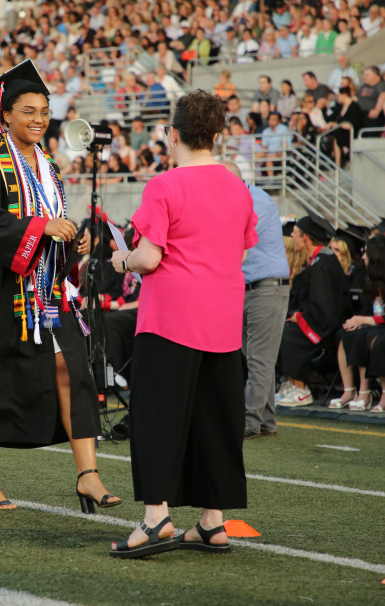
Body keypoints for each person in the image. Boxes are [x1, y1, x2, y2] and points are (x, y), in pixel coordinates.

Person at [0, 60, 121, 513]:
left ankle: (89, 476)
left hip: (47, 294)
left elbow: (50, 230)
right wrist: (42, 227)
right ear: (5, 115)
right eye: (28, 111)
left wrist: (71, 240)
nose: (39, 119)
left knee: (74, 372)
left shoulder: (50, 169)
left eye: (44, 111)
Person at [109, 89, 258, 558]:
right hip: (223, 318)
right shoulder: (238, 186)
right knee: (215, 421)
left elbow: (150, 258)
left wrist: (121, 260)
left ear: (172, 135)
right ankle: (213, 522)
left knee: (157, 419)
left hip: (172, 317)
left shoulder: (165, 185)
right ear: (216, 135)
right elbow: (242, 250)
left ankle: (157, 519)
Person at [224, 162, 290, 438]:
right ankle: (266, 421)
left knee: (259, 358)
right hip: (253, 287)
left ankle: (249, 422)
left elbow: (232, 241)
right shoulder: (246, 198)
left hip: (265, 287)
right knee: (260, 358)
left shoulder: (255, 202)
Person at [277, 212, 351, 407]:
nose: (292, 236)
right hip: (321, 318)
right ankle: (292, 385)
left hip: (328, 325)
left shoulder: (322, 265)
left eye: (295, 233)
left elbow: (325, 307)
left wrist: (300, 318)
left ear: (305, 238)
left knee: (288, 333)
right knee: (280, 327)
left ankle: (301, 390)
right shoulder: (318, 261)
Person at [330, 236, 385, 412]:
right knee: (344, 333)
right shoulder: (371, 279)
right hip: (375, 323)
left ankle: (369, 392)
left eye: (365, 253)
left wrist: (364, 321)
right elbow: (370, 310)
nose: (362, 257)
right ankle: (350, 391)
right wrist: (357, 321)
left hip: (380, 327)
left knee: (367, 335)